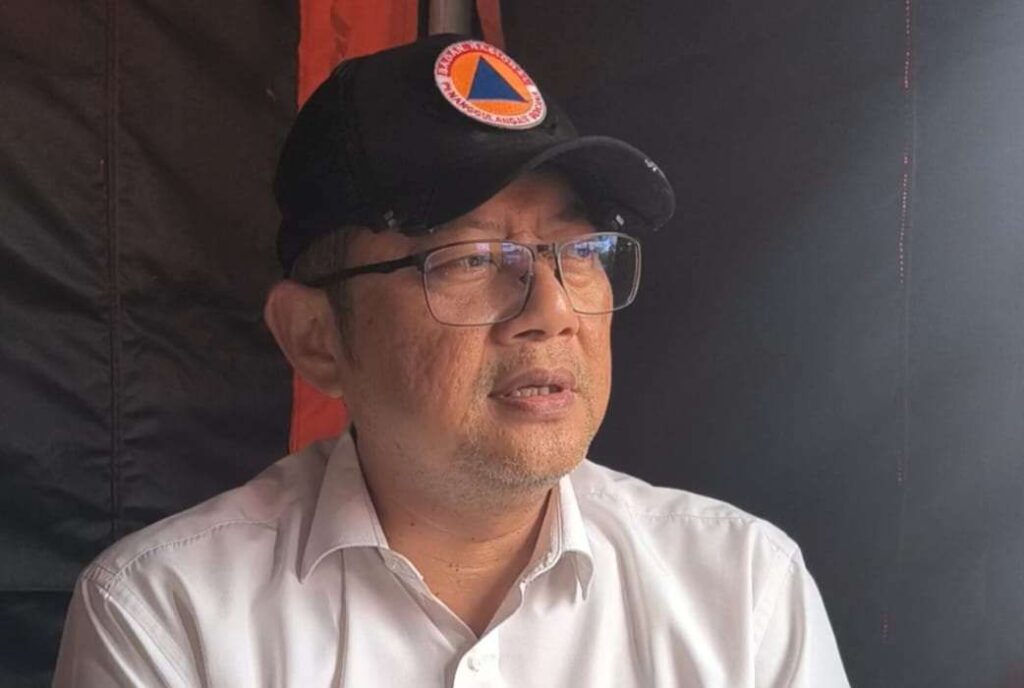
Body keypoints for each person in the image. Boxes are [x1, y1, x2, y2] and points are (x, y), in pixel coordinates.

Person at [53, 34, 850, 687]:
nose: (551, 312)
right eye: (471, 260)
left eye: (580, 252)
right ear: (316, 338)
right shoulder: (171, 617)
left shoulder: (742, 592)